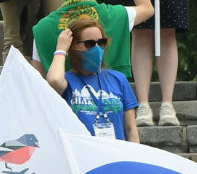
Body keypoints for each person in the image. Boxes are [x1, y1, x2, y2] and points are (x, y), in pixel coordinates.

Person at [46, 13, 139, 142]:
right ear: (74, 46)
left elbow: (131, 129)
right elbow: (54, 80)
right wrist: (61, 49)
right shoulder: (68, 81)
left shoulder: (119, 79)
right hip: (84, 157)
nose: (97, 48)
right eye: (90, 44)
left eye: (101, 42)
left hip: (117, 156)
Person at [32, 0, 132, 77]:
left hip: (63, 93)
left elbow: (37, 77)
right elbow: (148, 8)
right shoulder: (115, 14)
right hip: (110, 91)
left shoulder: (42, 28)